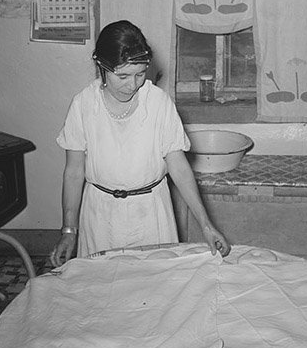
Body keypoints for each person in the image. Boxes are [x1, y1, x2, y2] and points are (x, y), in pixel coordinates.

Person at [49, 20, 230, 267]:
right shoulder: (83, 105)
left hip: (152, 215)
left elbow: (178, 167)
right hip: (100, 216)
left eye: (140, 74)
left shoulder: (157, 102)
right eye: (122, 76)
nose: (132, 85)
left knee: (155, 292)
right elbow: (73, 172)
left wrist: (206, 224)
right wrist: (69, 231)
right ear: (101, 66)